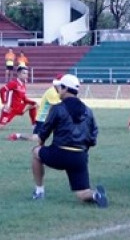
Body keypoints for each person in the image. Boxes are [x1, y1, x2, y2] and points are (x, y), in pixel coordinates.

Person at [28, 74, 107, 207]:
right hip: (80, 157)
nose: (58, 89)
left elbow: (43, 135)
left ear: (65, 89)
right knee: (82, 193)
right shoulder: (88, 110)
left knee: (36, 152)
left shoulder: (58, 108)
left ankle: (39, 191)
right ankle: (95, 195)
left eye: (59, 87)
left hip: (59, 154)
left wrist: (40, 144)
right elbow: (93, 138)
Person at [0, 67, 38, 131]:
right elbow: (1, 90)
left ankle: (34, 125)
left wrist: (34, 102)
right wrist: (4, 103)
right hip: (10, 109)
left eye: (27, 73)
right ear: (18, 74)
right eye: (24, 73)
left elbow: (24, 99)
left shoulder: (23, 85)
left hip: (19, 107)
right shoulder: (13, 83)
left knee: (33, 106)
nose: (26, 75)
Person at [8, 74, 63, 141]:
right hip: (43, 119)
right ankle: (18, 135)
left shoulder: (57, 91)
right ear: (58, 84)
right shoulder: (52, 93)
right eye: (62, 86)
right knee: (36, 138)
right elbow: (56, 109)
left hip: (48, 118)